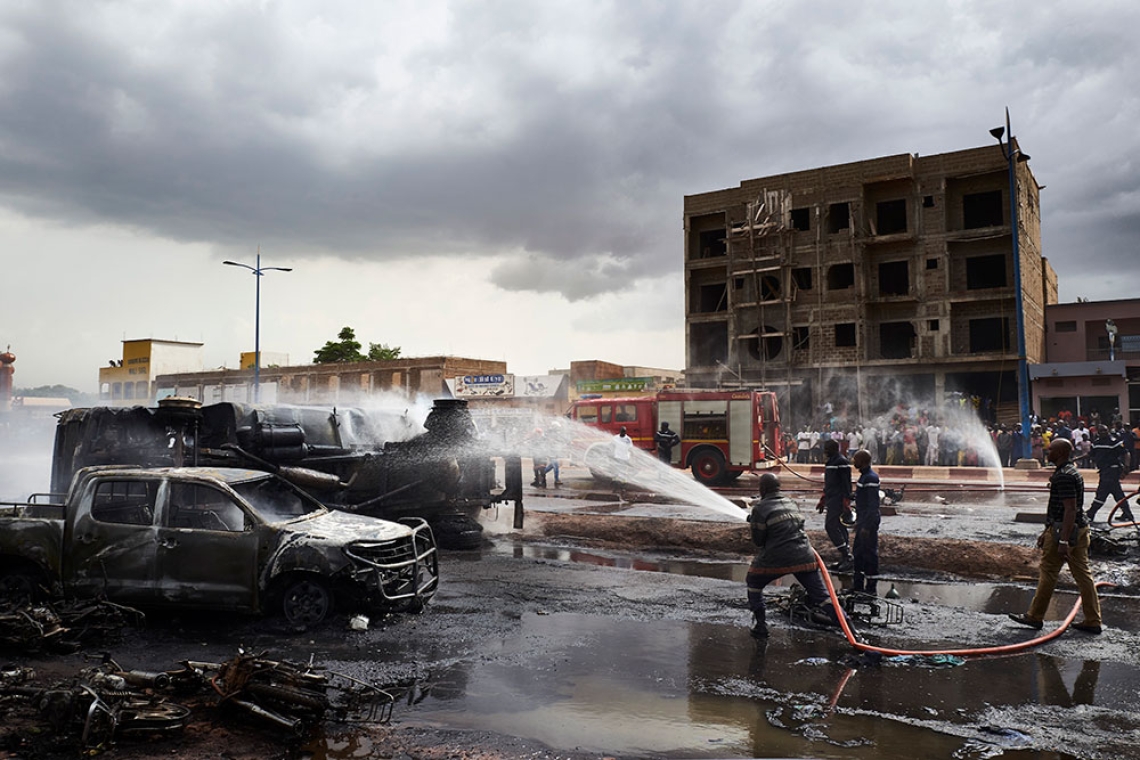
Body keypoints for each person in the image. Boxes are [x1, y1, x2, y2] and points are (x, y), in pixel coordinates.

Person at [1009, 438, 1103, 634]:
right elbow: (1061, 508)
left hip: (1065, 530)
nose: (1046, 451)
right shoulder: (1069, 472)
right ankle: (1093, 620)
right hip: (1078, 528)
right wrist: (1046, 531)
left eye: (1050, 449)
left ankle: (1035, 616)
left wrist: (1062, 541)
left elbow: (1069, 510)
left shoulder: (1064, 476)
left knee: (1049, 571)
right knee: (1083, 575)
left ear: (1060, 453)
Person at [746, 473, 841, 639]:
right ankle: (850, 628)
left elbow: (758, 542)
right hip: (804, 555)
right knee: (822, 597)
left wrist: (755, 523)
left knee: (753, 581)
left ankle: (760, 625)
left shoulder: (760, 508)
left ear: (763, 489)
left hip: (777, 557)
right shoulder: (791, 502)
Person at [816, 439, 854, 571]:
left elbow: (846, 483)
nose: (825, 451)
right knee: (839, 526)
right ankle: (845, 558)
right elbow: (829, 483)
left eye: (827, 448)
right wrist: (823, 499)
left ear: (833, 449)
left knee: (830, 526)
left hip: (838, 499)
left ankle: (847, 556)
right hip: (832, 498)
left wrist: (846, 500)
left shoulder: (841, 462)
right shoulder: (831, 462)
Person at [1085, 425, 1133, 523]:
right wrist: (1074, 459)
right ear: (1098, 432)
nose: (1103, 432)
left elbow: (1126, 453)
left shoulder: (1113, 441)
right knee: (1117, 494)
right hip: (1104, 471)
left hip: (1112, 471)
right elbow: (1090, 454)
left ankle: (1090, 514)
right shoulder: (1097, 443)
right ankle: (1127, 514)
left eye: (1105, 431)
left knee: (1102, 493)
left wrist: (1126, 467)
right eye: (1101, 431)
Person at [850, 449, 881, 597]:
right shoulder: (864, 477)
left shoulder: (870, 478)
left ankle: (870, 588)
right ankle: (857, 586)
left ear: (862, 461)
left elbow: (872, 505)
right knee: (859, 553)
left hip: (868, 523)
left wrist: (867, 526)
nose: (853, 462)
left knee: (869, 554)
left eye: (855, 459)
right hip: (863, 521)